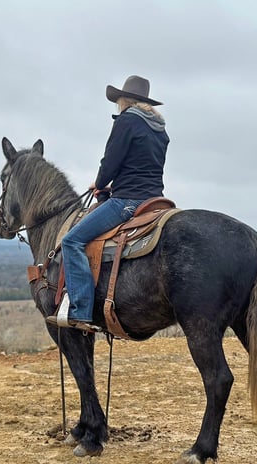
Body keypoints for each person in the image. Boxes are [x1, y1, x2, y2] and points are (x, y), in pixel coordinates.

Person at [48, 75, 170, 332]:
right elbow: (144, 168)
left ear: (124, 99)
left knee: (72, 241)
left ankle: (81, 311)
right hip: (155, 200)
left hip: (128, 201)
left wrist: (101, 182)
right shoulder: (160, 130)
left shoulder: (127, 121)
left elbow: (111, 162)